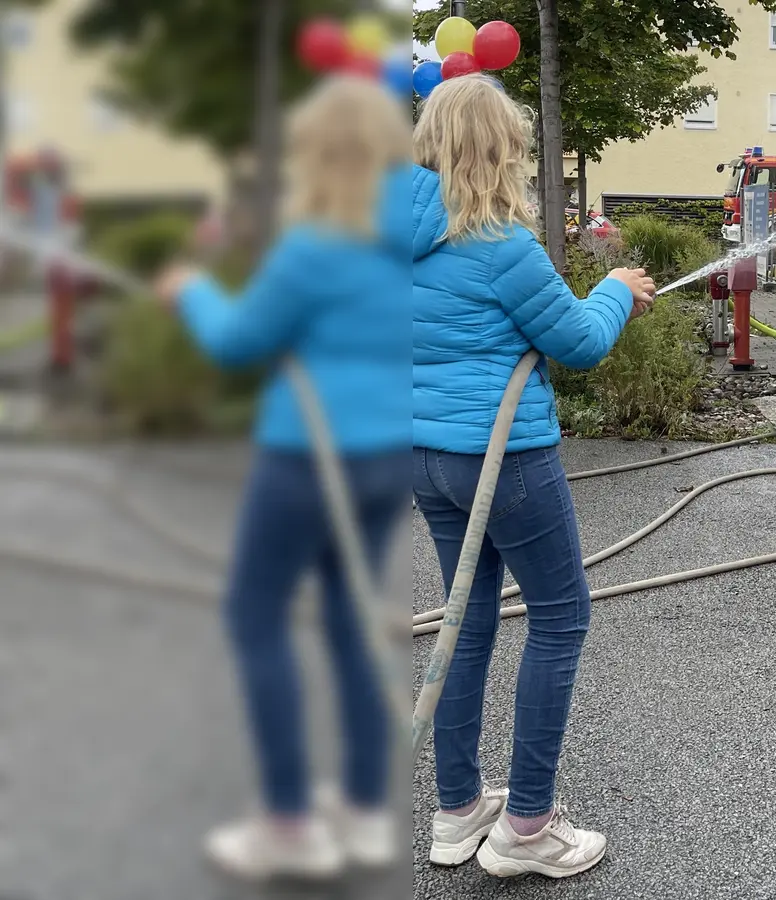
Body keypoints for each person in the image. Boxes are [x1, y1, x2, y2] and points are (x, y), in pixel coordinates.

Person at [153, 75, 414, 880]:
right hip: (388, 456)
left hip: (307, 457)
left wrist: (191, 292)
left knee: (255, 614)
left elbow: (238, 341)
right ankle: (365, 814)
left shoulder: (313, 248)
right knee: (352, 620)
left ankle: (290, 825)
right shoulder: (411, 244)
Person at [410, 74, 655, 880]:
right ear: (500, 149)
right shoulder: (499, 245)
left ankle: (457, 812)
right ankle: (527, 828)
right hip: (505, 459)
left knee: (465, 619)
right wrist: (616, 289)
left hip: (427, 458)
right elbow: (578, 342)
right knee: (560, 616)